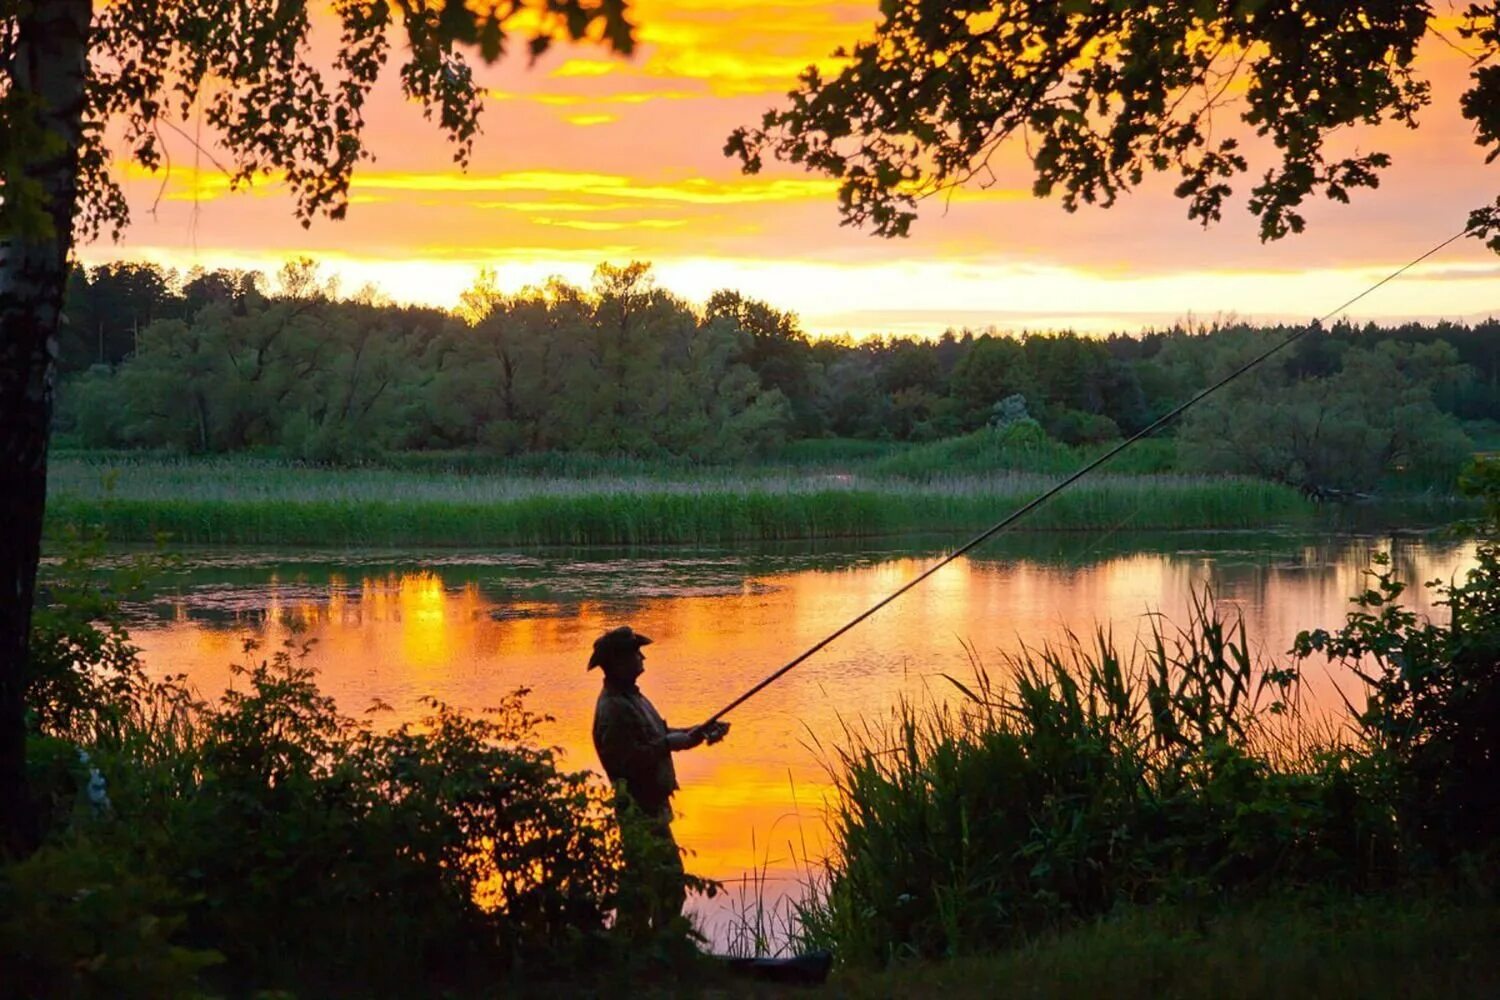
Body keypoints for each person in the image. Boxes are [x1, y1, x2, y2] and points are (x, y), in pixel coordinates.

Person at [588, 625, 728, 934]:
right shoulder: (613, 708)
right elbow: (626, 761)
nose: (642, 656)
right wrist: (669, 744)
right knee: (663, 883)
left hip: (652, 806)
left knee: (648, 884)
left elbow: (658, 737)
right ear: (619, 662)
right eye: (636, 652)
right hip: (639, 810)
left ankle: (644, 950)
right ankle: (654, 951)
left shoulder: (632, 699)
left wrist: (697, 733)